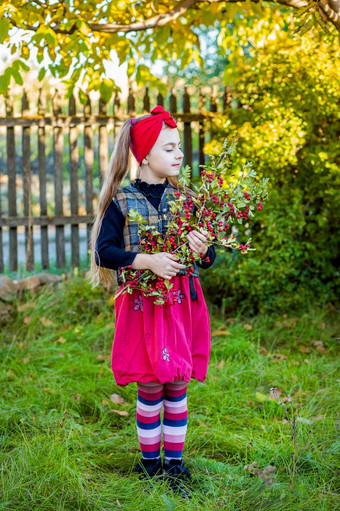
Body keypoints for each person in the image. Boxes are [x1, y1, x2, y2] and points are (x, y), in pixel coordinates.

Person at [88, 106, 216, 497]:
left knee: (177, 386)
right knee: (149, 387)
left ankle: (173, 465)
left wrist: (202, 247)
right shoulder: (122, 201)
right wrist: (146, 261)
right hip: (143, 306)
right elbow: (104, 251)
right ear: (144, 155)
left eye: (180, 148)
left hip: (180, 306)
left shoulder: (186, 199)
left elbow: (208, 259)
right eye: (170, 148)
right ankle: (149, 464)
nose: (179, 155)